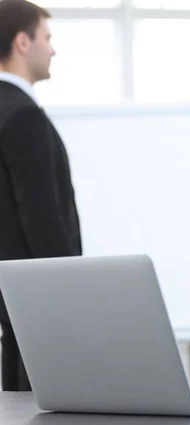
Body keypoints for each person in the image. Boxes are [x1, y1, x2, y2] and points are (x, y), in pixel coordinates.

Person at [0, 0, 82, 391]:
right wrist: (71, 293)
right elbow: (42, 218)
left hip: (12, 298)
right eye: (46, 38)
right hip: (43, 303)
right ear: (22, 42)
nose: (52, 49)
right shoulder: (23, 115)